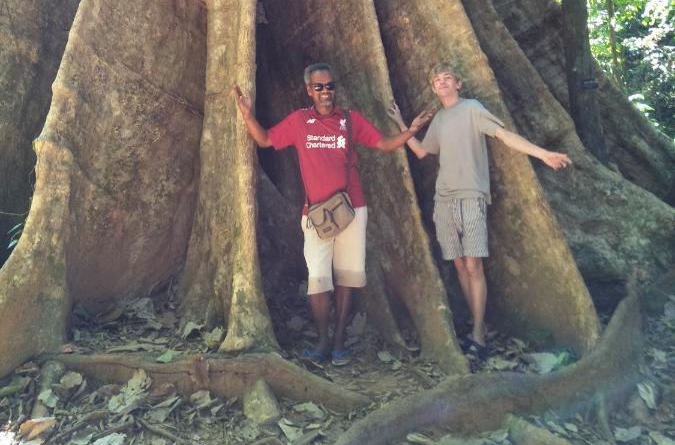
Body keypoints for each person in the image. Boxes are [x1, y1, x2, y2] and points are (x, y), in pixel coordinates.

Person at [234, 63, 432, 365]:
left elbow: (383, 144)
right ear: (309, 90)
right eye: (319, 87)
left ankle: (339, 342)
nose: (326, 92)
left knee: (347, 278)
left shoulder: (350, 121)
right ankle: (323, 340)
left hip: (352, 210)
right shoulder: (300, 121)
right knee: (318, 279)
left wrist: (411, 131)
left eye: (330, 86)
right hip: (315, 214)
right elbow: (264, 140)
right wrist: (247, 115)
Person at [388, 62, 571, 361]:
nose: (443, 83)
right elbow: (422, 152)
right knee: (460, 266)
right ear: (433, 88)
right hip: (444, 201)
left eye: (448, 78)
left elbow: (504, 136)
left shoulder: (472, 108)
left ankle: (478, 332)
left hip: (471, 197)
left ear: (458, 84)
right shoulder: (440, 120)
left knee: (474, 267)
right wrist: (403, 125)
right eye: (437, 80)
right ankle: (476, 327)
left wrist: (543, 153)